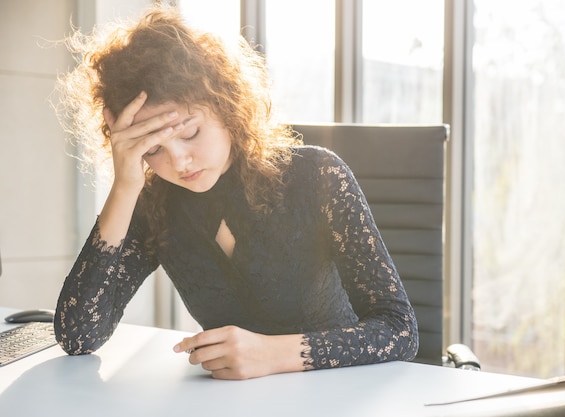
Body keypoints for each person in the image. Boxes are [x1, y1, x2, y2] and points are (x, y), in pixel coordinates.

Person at [53, 5, 418, 380]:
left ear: (227, 106)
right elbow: (78, 336)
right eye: (152, 149)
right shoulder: (155, 204)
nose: (179, 162)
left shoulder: (317, 175)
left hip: (341, 395)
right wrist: (125, 186)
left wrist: (274, 355)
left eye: (190, 133)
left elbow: (399, 330)